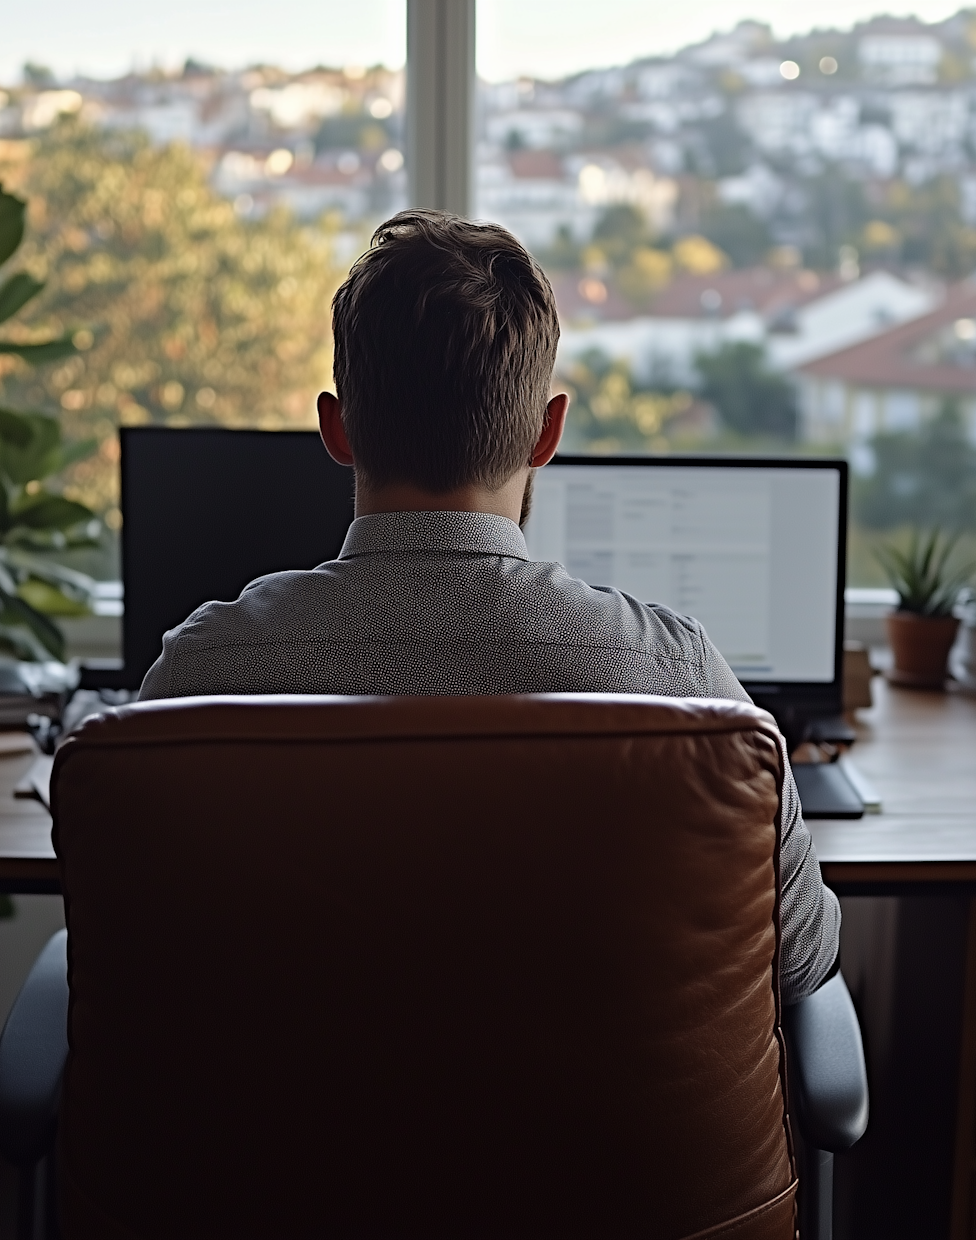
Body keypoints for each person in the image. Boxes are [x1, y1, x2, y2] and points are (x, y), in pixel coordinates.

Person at [139, 209, 840, 1000]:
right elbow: (800, 957)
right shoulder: (677, 681)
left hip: (279, 1125)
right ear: (547, 433)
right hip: (591, 1127)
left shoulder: (197, 676)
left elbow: (137, 948)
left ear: (336, 429)